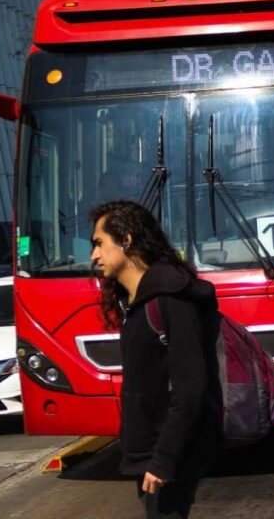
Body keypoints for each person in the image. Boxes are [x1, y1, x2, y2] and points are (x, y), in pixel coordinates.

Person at [90, 200, 221, 518]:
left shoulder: (170, 300)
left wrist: (164, 459)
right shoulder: (135, 303)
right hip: (152, 449)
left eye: (99, 244)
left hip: (171, 451)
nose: (93, 256)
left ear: (126, 240)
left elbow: (190, 389)